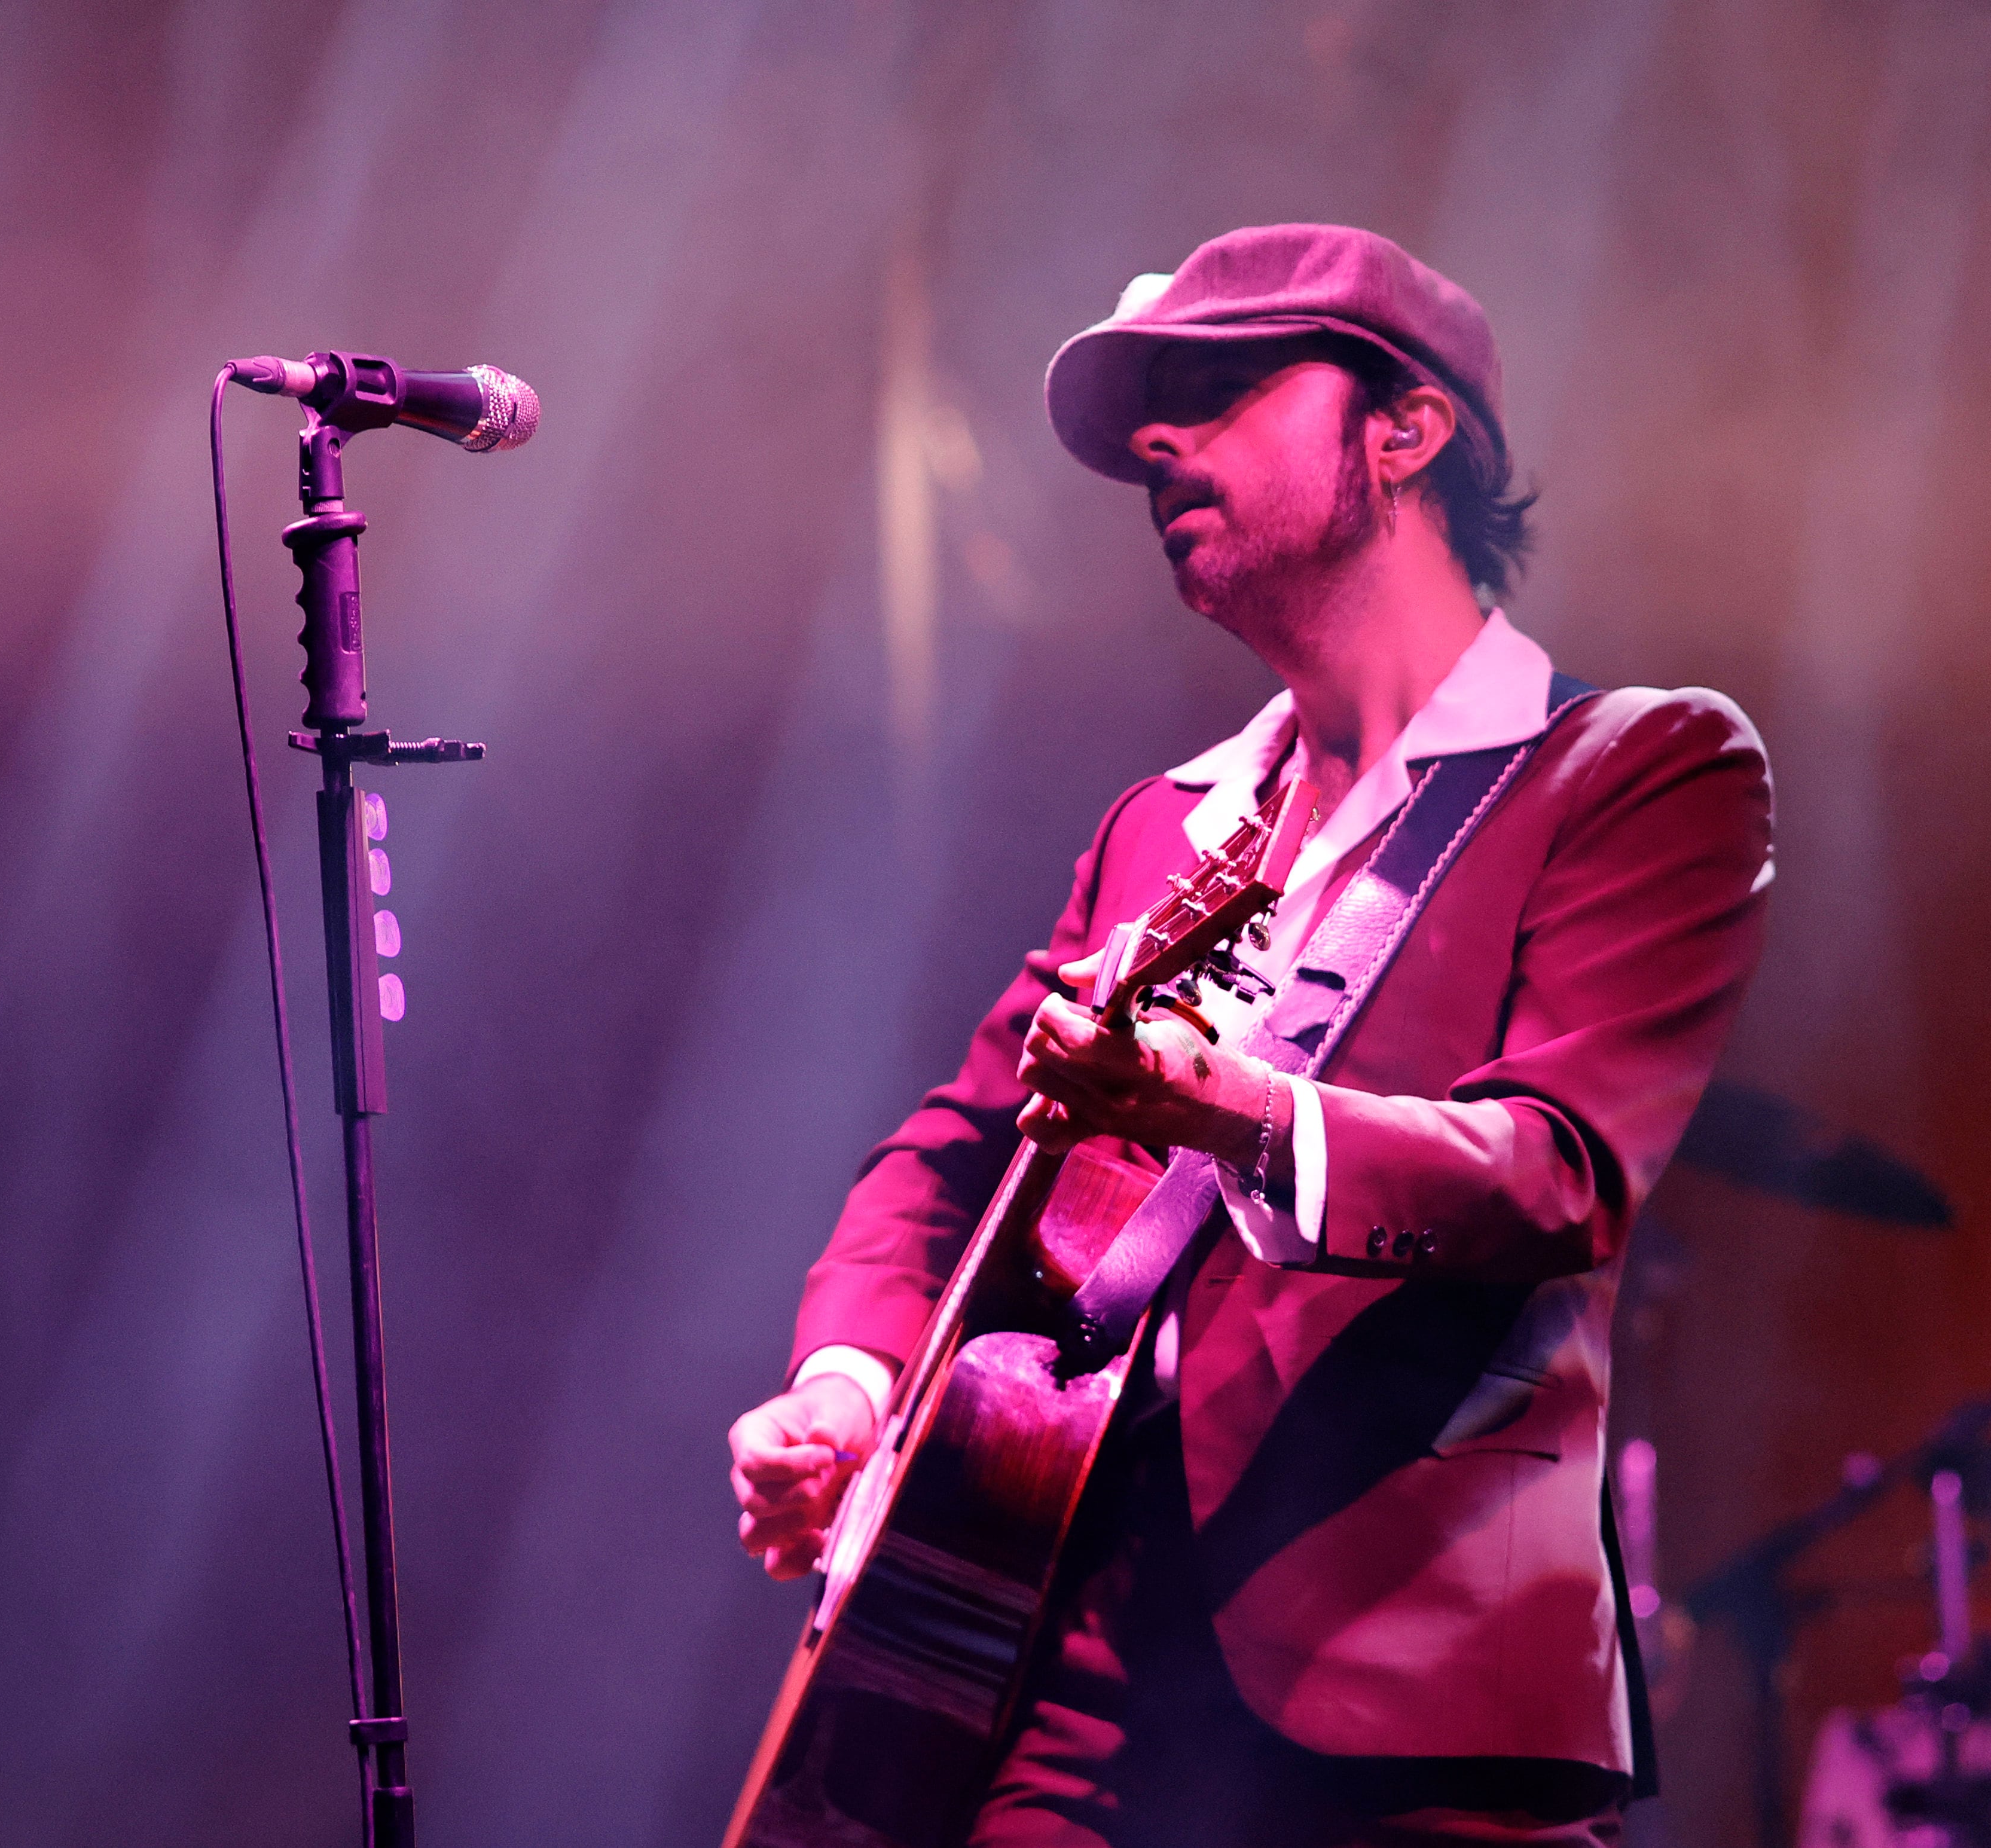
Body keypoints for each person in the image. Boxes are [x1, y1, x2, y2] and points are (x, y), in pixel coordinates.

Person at [725, 222, 1775, 1847]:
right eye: (1154, 413)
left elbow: (1557, 1169)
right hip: (1061, 1676)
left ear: (1403, 428)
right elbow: (952, 1148)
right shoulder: (1163, 823)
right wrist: (851, 1382)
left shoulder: (1637, 770)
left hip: (1415, 1699)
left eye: (1215, 390)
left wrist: (1220, 1103)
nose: (1158, 441)